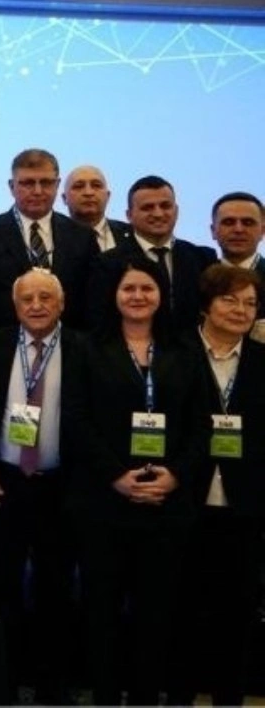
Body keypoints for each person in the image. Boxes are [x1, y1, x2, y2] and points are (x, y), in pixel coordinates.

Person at [67, 256, 206, 705]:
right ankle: (106, 698)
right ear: (114, 295)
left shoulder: (185, 351)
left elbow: (201, 425)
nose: (138, 296)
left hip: (167, 506)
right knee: (102, 613)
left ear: (162, 295)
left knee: (156, 616)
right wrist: (116, 476)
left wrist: (175, 475)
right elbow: (77, 420)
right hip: (104, 503)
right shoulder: (88, 348)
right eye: (129, 288)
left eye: (147, 288)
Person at [0, 268, 84, 703]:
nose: (36, 305)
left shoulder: (83, 348)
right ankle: (1, 684)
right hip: (2, 482)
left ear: (62, 303)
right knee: (1, 586)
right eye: (27, 299)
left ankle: (52, 688)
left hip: (61, 487)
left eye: (45, 297)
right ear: (15, 305)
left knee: (56, 589)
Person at [167, 265, 265, 705]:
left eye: (250, 303)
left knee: (237, 614)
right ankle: (180, 697)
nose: (241, 310)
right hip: (184, 500)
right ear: (206, 304)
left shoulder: (262, 361)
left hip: (245, 506)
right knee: (182, 611)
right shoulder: (176, 353)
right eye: (230, 300)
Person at [0, 148, 98, 330]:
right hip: (3, 341)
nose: (38, 191)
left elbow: (91, 300)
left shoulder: (82, 236)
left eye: (46, 183)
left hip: (69, 342)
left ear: (57, 185)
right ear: (11, 186)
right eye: (28, 183)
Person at [87, 175, 217, 334]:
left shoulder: (202, 259)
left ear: (176, 211)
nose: (158, 213)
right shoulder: (106, 264)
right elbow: (99, 322)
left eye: (165, 206)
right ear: (129, 215)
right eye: (147, 207)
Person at [61, 164, 128, 252]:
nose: (88, 193)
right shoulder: (55, 236)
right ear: (64, 198)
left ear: (108, 196)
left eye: (96, 185)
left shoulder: (131, 234)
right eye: (79, 186)